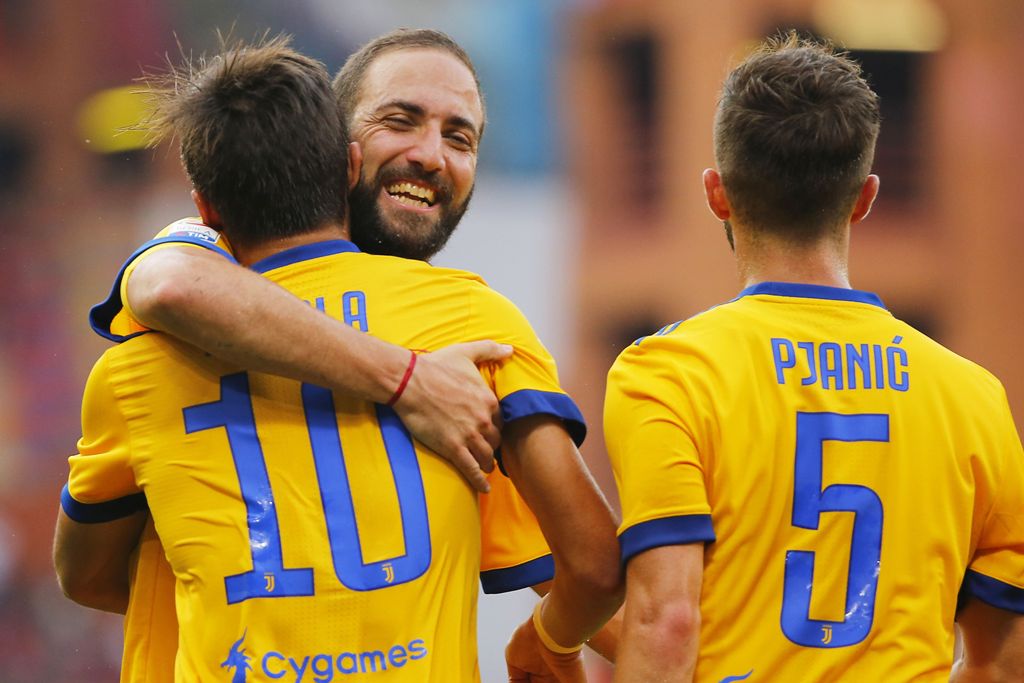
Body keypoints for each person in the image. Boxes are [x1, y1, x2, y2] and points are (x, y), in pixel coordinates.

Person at [54, 35, 621, 681]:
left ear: (205, 204)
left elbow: (87, 576)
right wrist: (548, 644)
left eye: (460, 138)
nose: (430, 155)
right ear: (344, 156)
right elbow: (596, 572)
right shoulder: (474, 327)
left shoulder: (136, 363)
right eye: (401, 119)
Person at [603, 33, 1024, 682]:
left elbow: (669, 621)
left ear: (717, 194)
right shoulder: (974, 396)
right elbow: (1001, 659)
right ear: (865, 198)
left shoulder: (667, 372)